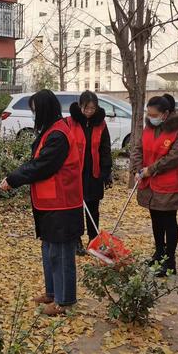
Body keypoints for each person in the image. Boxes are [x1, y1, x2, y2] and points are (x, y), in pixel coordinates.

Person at [0, 90, 83, 316]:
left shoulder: (58, 134)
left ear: (45, 109)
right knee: (49, 250)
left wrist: (14, 178)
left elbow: (42, 165)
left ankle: (65, 302)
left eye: (35, 110)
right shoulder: (50, 131)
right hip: (48, 202)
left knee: (61, 252)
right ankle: (53, 293)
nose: (33, 114)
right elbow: (36, 161)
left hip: (62, 203)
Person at [131, 93, 178, 277]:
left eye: (154, 115)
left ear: (165, 114)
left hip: (169, 184)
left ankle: (169, 260)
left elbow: (175, 157)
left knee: (168, 221)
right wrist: (137, 169)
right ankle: (159, 253)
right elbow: (138, 148)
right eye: (149, 114)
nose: (151, 118)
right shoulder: (148, 128)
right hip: (150, 184)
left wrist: (151, 169)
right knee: (155, 218)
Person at [67, 91, 112, 254]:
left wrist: (106, 170)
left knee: (93, 207)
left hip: (93, 173)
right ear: (80, 106)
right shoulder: (70, 122)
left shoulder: (101, 124)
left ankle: (93, 240)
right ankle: (76, 240)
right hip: (74, 173)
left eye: (93, 108)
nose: (89, 111)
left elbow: (105, 148)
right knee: (76, 208)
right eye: (86, 108)